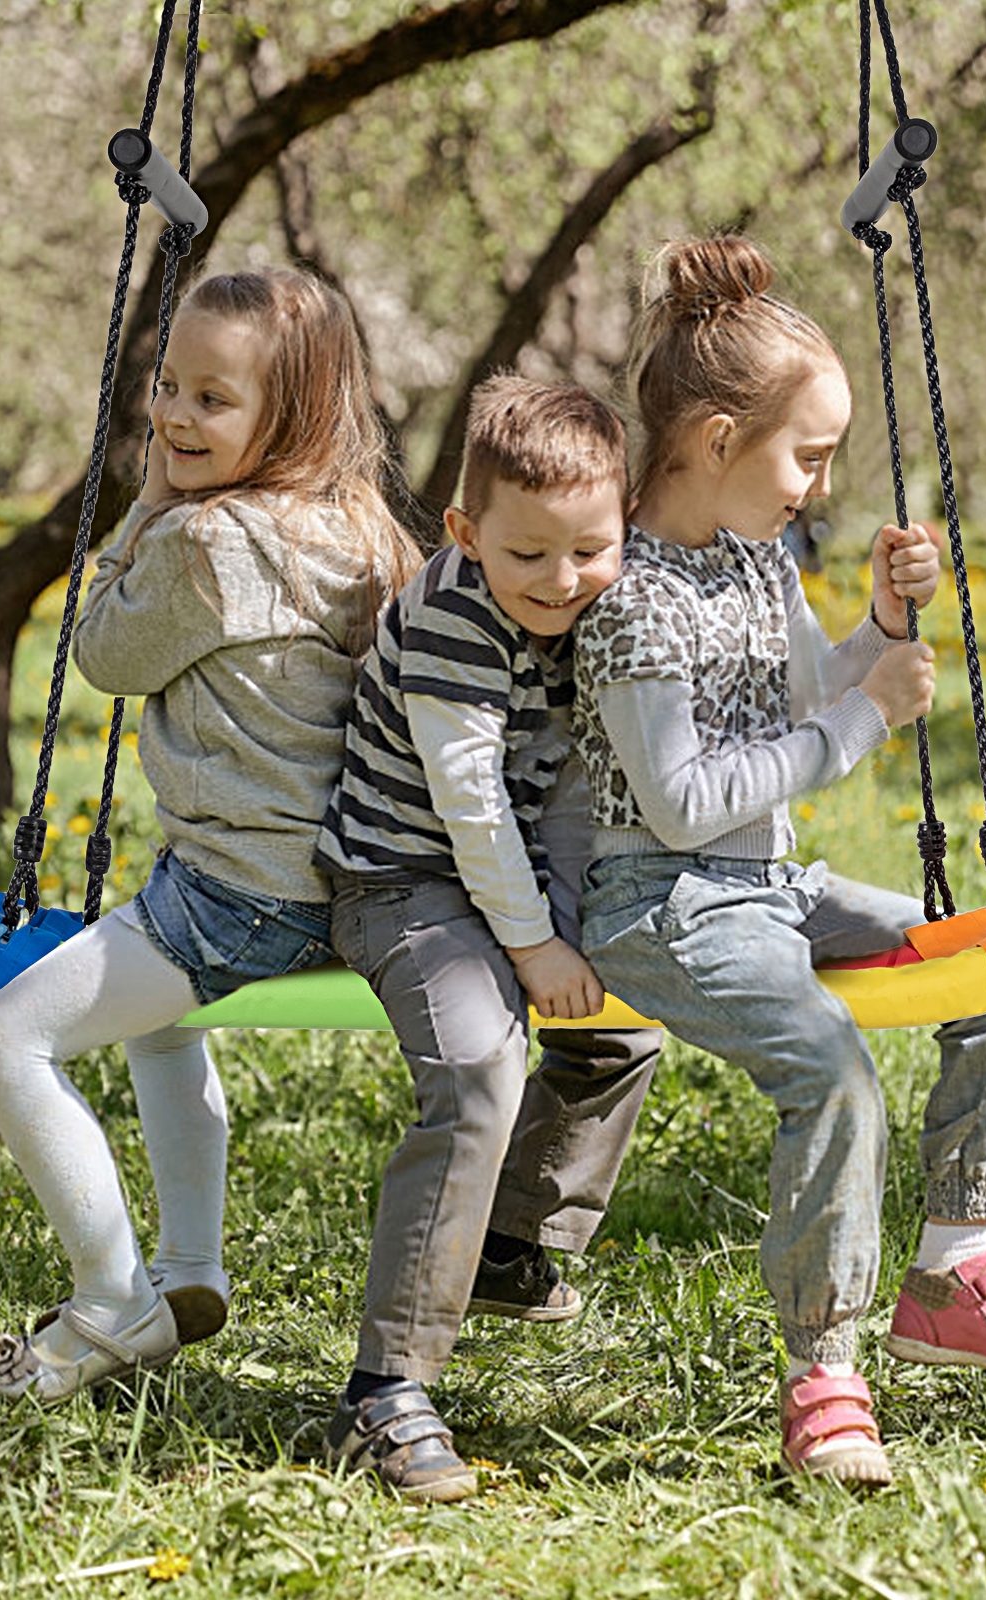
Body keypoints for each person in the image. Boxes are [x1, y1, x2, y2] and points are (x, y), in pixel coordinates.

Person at [573, 236, 986, 1489]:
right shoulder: (631, 601)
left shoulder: (755, 559)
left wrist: (882, 624)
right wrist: (863, 721)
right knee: (834, 1069)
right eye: (804, 455)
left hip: (768, 888)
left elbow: (808, 688)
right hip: (660, 899)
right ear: (714, 440)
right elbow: (682, 805)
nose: (814, 483)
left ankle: (949, 1272)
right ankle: (823, 1376)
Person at [0, 267, 420, 1403]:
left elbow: (103, 655)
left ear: (291, 415)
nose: (173, 414)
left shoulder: (205, 542)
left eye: (213, 399)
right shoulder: (359, 529)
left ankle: (113, 1302)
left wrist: (148, 508)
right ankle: (189, 1269)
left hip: (239, 891)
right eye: (168, 385)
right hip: (344, 880)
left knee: (5, 1040)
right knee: (158, 1030)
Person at [315, 375, 661, 1502]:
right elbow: (469, 804)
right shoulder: (456, 618)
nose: (561, 580)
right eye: (528, 555)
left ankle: (509, 1244)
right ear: (464, 534)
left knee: (625, 1026)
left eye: (590, 551)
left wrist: (571, 931)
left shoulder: (590, 599)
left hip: (503, 875)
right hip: (401, 880)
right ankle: (385, 1388)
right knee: (478, 1067)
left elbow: (567, 787)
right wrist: (533, 948)